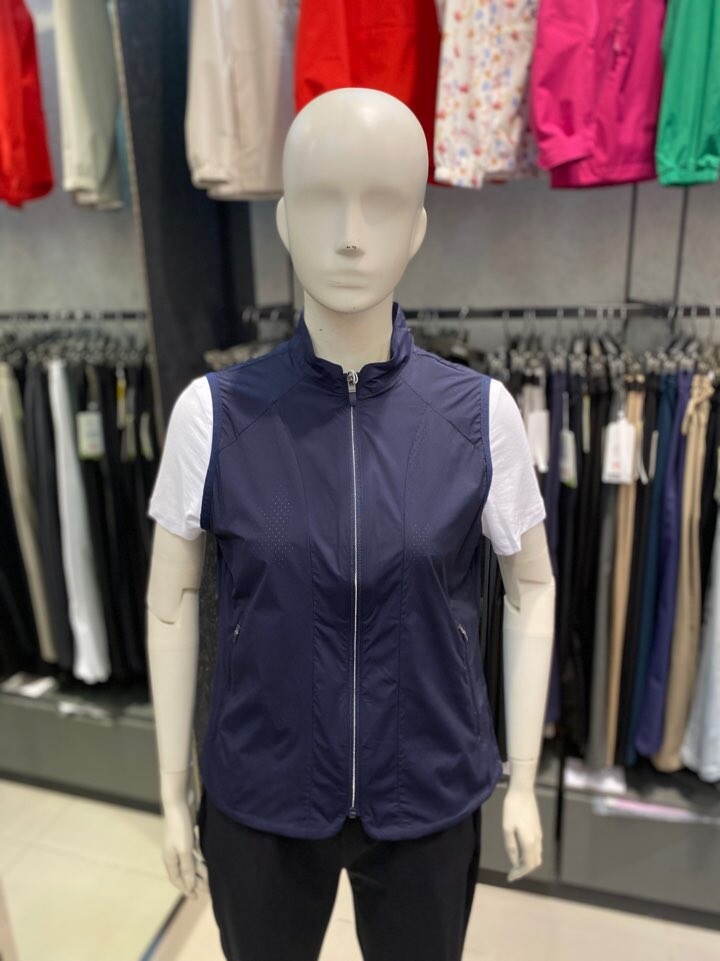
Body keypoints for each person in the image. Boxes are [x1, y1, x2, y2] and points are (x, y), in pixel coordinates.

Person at [146, 87, 555, 961]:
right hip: (262, 789)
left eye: (383, 204)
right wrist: (173, 789)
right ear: (283, 220)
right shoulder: (213, 414)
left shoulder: (479, 415)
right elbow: (170, 602)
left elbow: (533, 586)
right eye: (324, 201)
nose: (351, 235)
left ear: (418, 229)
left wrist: (521, 779)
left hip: (429, 786)